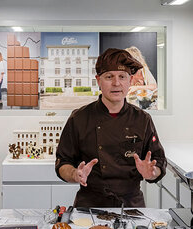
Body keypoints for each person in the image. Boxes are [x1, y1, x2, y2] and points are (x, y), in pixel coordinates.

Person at [55, 48, 167, 207]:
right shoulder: (79, 119)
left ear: (130, 81)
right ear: (98, 80)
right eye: (109, 77)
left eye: (122, 77)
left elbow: (159, 161)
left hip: (131, 206)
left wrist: (151, 173)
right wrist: (74, 174)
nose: (116, 83)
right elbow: (63, 162)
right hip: (90, 205)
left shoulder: (142, 119)